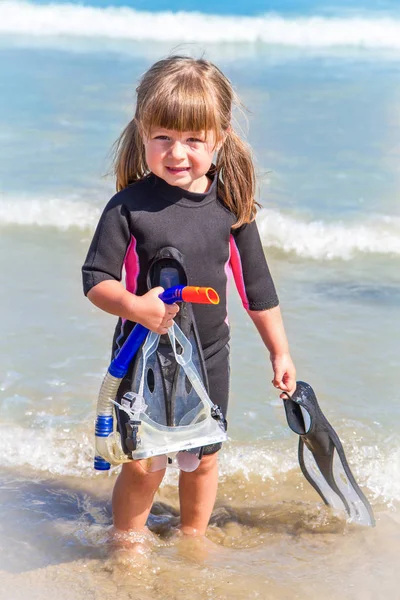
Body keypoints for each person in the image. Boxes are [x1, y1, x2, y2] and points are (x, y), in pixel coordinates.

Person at [82, 55, 296, 544]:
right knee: (145, 462)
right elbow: (96, 279)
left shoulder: (231, 206)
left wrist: (280, 351)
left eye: (193, 140)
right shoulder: (128, 207)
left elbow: (256, 291)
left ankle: (193, 537)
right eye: (163, 138)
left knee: (202, 458)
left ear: (218, 138)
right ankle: (127, 542)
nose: (177, 153)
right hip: (140, 358)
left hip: (208, 358)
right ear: (142, 133)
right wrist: (136, 307)